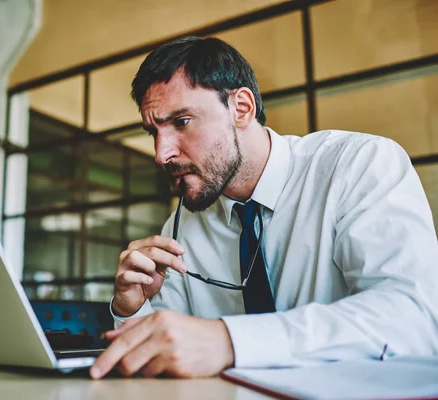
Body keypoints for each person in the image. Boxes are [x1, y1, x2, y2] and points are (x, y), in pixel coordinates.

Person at [89, 37, 438, 380]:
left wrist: (230, 341)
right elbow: (167, 354)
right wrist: (131, 308)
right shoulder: (179, 229)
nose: (161, 154)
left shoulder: (359, 165)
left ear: (242, 108)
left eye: (181, 122)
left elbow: (414, 318)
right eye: (154, 132)